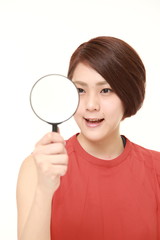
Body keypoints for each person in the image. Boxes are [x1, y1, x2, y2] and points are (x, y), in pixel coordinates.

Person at [16, 36, 160, 240]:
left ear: (129, 95)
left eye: (106, 90)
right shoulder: (37, 167)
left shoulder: (156, 169)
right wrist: (44, 190)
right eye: (80, 90)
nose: (91, 105)